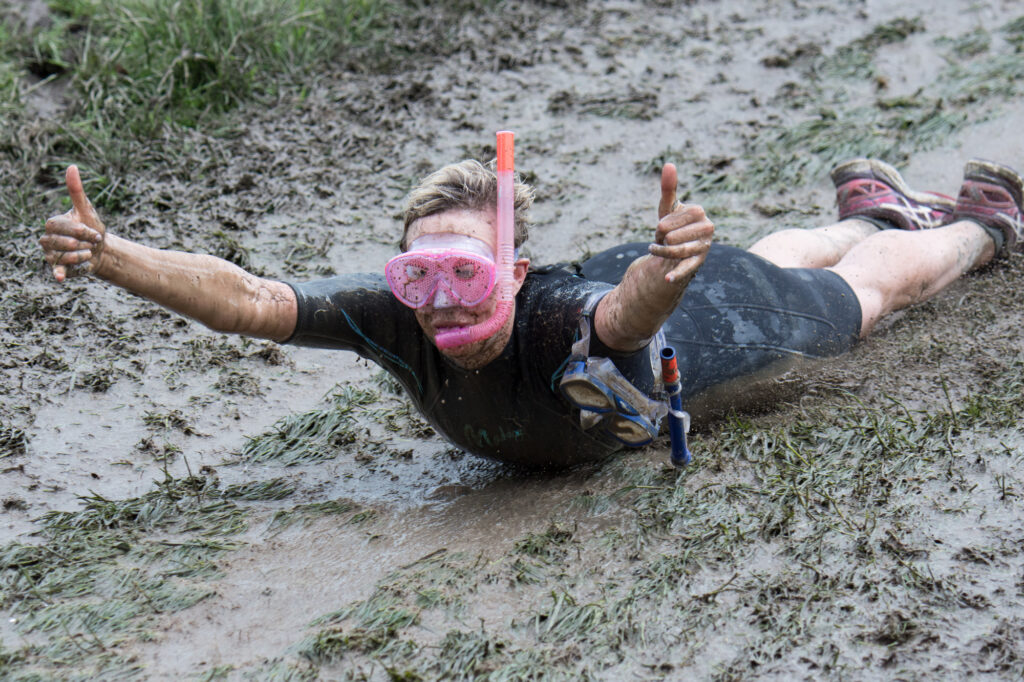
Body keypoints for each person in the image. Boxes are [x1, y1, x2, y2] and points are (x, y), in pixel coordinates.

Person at [40, 155, 1024, 469]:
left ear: (510, 271)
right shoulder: (396, 316)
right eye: (418, 277)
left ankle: (980, 226)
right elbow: (251, 299)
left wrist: (666, 275)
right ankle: (862, 210)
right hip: (653, 281)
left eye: (464, 276)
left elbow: (626, 320)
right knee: (749, 255)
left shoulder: (559, 320)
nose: (437, 303)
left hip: (703, 320)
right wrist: (114, 254)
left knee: (865, 294)